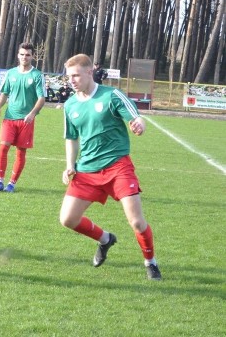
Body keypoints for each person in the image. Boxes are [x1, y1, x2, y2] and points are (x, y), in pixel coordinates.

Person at [60, 54, 161, 281]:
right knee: (67, 219)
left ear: (89, 72)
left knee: (136, 221)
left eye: (76, 75)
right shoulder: (70, 105)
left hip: (118, 167)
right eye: (69, 77)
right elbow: (71, 138)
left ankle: (151, 262)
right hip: (86, 170)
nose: (72, 80)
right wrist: (69, 165)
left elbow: (135, 116)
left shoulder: (111, 95)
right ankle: (105, 239)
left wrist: (139, 124)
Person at [0, 43, 46, 192]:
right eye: (22, 54)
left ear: (32, 56)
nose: (24, 57)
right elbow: (5, 93)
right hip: (9, 118)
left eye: (27, 54)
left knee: (21, 152)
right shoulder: (10, 73)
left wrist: (32, 113)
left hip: (26, 120)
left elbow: (42, 98)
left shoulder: (37, 75)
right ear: (18, 55)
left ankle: (11, 183)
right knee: (3, 147)